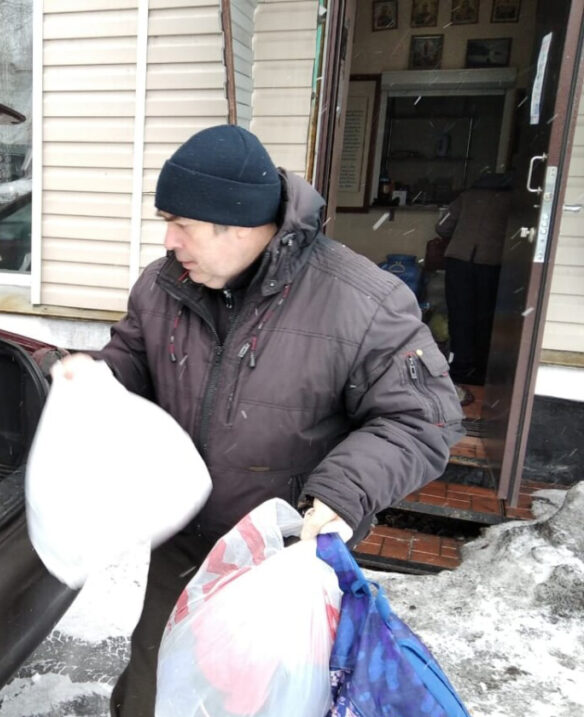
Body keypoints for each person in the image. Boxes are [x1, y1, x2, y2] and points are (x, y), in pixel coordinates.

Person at [55, 124, 465, 717]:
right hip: (185, 543)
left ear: (240, 224)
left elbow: (422, 418)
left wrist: (343, 491)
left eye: (182, 224)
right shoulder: (162, 286)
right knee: (154, 689)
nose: (169, 240)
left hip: (283, 559)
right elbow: (133, 363)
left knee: (257, 701)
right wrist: (95, 379)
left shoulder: (361, 302)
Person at [434, 171, 513, 389]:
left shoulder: (467, 196)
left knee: (460, 314)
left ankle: (460, 366)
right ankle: (481, 369)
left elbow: (442, 226)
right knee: (486, 317)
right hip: (492, 263)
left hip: (459, 261)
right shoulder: (513, 200)